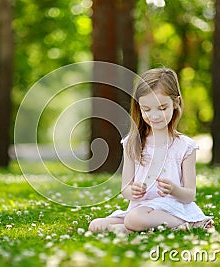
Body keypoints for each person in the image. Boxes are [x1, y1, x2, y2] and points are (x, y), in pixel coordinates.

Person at [88, 67, 213, 234]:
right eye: (146, 109)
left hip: (171, 209)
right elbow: (126, 189)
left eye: (162, 108)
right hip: (140, 208)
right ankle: (132, 228)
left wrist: (173, 189)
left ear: (176, 103)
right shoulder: (132, 143)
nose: (154, 116)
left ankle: (186, 222)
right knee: (96, 225)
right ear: (138, 106)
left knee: (134, 219)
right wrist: (132, 191)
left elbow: (189, 195)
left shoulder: (184, 146)